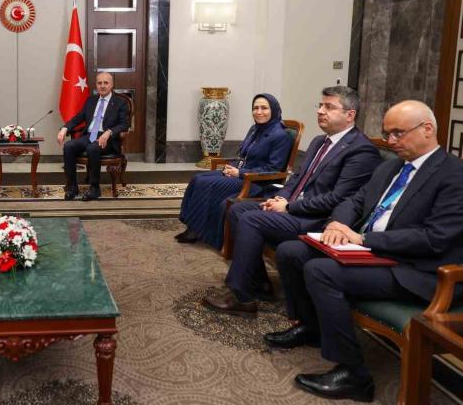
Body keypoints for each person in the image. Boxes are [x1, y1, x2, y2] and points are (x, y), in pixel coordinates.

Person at [267, 100, 463, 402]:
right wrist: (337, 224)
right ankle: (311, 326)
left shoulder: (453, 175)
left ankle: (354, 375)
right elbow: (355, 201)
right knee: (291, 251)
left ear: (427, 129)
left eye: (398, 134)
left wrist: (364, 239)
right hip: (373, 252)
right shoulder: (391, 166)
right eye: (387, 134)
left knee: (320, 271)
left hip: (415, 269)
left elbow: (434, 239)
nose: (390, 141)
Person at [203, 86, 381, 316]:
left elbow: (337, 198)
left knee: (252, 219)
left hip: (319, 220)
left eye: (329, 107)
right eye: (320, 105)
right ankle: (260, 283)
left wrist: (288, 207)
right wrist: (282, 197)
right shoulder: (319, 141)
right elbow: (297, 177)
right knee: (237, 209)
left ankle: (242, 296)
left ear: (350, 114)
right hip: (295, 207)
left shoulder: (361, 150)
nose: (320, 111)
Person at [174, 93, 293, 248]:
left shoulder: (281, 135)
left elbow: (273, 169)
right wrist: (232, 167)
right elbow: (244, 155)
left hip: (256, 182)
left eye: (264, 108)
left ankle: (196, 230)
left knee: (206, 184)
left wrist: (240, 173)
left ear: (274, 110)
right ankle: (193, 225)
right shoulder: (255, 129)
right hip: (241, 173)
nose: (259, 112)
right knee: (198, 178)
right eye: (255, 108)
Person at [56, 72, 129, 201]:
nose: (102, 86)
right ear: (96, 85)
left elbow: (124, 124)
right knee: (69, 146)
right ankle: (72, 187)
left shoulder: (120, 103)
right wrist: (64, 128)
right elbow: (78, 118)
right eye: (99, 83)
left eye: (106, 83)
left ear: (112, 85)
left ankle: (95, 188)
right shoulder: (91, 100)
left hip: (108, 139)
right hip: (89, 136)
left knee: (93, 148)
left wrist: (109, 132)